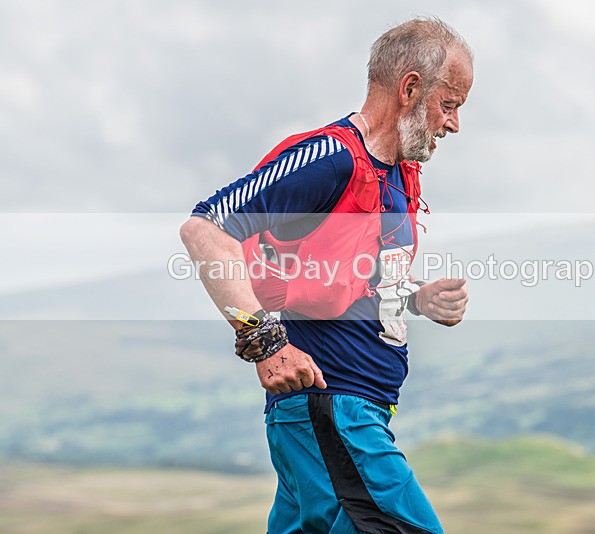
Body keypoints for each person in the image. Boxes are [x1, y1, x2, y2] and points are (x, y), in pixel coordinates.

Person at [180, 17, 473, 534]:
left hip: (336, 418)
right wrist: (265, 344)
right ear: (410, 88)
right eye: (448, 105)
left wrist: (415, 299)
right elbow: (205, 231)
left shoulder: (395, 173)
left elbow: (338, 279)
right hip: (336, 412)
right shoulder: (329, 159)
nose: (453, 124)